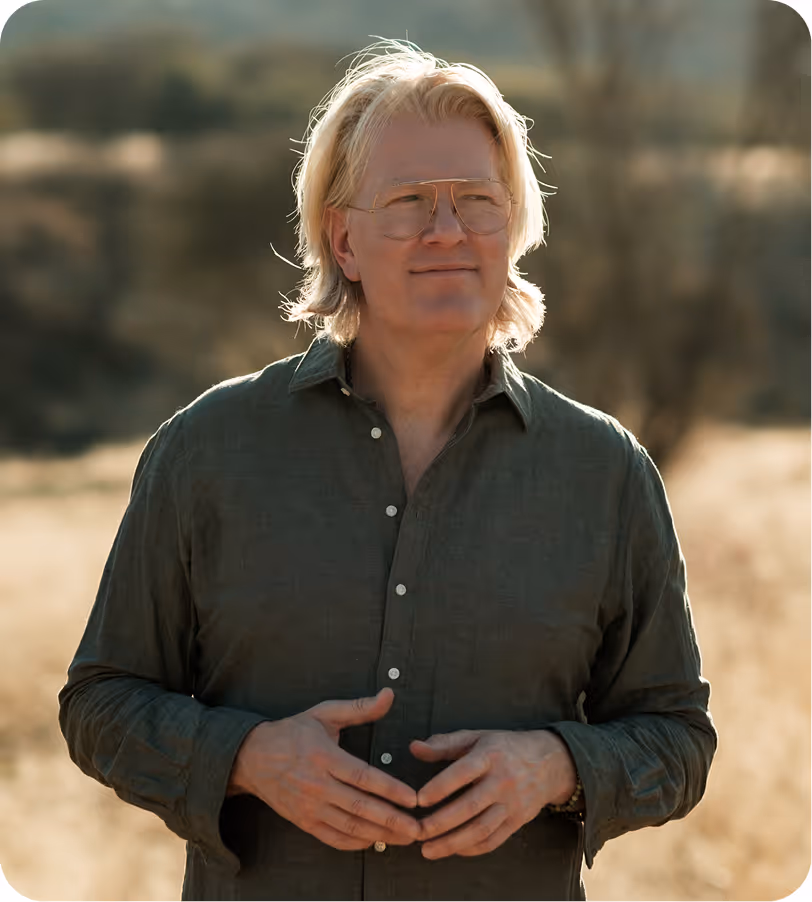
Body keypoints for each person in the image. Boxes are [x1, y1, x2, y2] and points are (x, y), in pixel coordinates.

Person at [58, 41, 717, 901]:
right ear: (343, 238)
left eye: (477, 202)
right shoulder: (207, 450)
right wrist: (246, 758)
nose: (448, 231)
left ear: (512, 228)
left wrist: (558, 765)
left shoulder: (606, 473)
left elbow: (677, 738)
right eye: (408, 202)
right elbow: (100, 705)